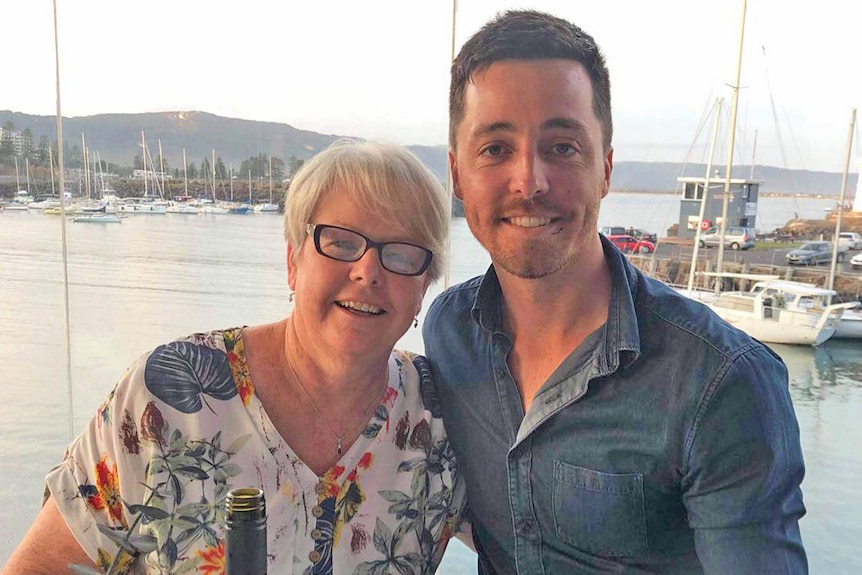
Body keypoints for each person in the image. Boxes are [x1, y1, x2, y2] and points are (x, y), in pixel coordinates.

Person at [423, 9, 806, 574]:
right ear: (457, 175)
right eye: (495, 148)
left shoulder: (719, 382)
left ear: (604, 168)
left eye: (562, 147)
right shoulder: (450, 331)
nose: (529, 181)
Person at [6, 140, 465, 574]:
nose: (367, 271)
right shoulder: (169, 394)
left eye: (402, 255)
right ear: (293, 261)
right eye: (342, 243)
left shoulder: (443, 420)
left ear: (424, 286)